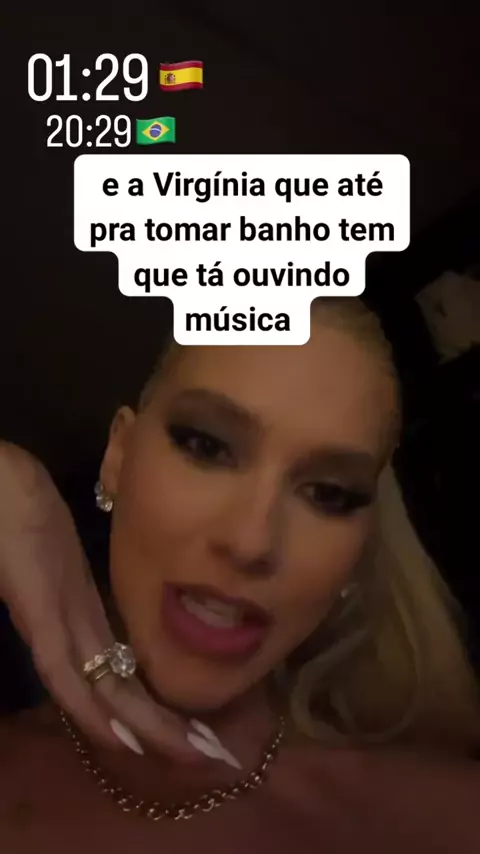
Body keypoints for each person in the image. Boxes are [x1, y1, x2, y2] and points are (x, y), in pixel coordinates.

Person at [1, 297, 479, 852]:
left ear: (354, 558)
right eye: (206, 446)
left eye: (328, 494)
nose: (251, 542)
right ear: (119, 458)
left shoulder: (449, 818)